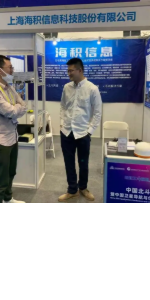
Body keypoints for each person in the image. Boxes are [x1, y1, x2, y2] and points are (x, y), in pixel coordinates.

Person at [0, 55, 28, 203]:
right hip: (0, 139)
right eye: (10, 67)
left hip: (12, 136)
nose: (12, 70)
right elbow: (11, 111)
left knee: (10, 172)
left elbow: (23, 106)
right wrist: (16, 108)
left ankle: (8, 199)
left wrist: (16, 107)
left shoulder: (9, 87)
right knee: (0, 179)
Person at [59, 58, 102, 202]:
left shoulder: (92, 89)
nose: (69, 73)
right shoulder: (66, 87)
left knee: (83, 163)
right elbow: (63, 106)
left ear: (80, 70)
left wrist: (90, 131)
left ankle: (83, 188)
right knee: (68, 162)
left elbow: (97, 113)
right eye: (68, 71)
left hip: (83, 133)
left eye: (71, 70)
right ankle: (72, 190)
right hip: (66, 132)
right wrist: (62, 123)